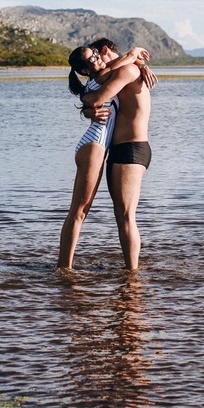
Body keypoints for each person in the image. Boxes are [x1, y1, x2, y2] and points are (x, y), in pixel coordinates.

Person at [58, 40, 154, 270]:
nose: (99, 62)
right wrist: (88, 109)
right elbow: (94, 94)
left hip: (131, 148)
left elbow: (97, 95)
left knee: (126, 217)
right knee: (100, 214)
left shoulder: (128, 70)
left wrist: (137, 60)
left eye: (98, 56)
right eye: (92, 60)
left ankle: (132, 276)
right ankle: (64, 268)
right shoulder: (109, 74)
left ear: (104, 51)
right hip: (112, 148)